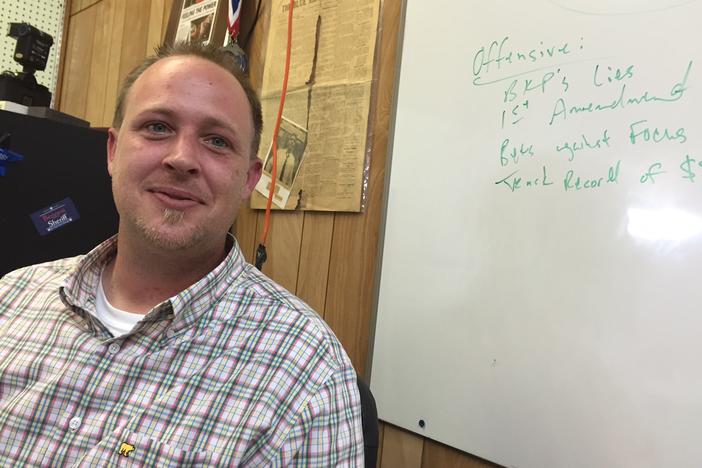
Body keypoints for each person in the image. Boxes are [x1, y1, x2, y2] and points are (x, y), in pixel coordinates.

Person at [0, 42, 363, 466]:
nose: (181, 158)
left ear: (249, 180)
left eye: (216, 140)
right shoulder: (12, 297)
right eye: (157, 127)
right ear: (113, 151)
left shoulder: (308, 375)